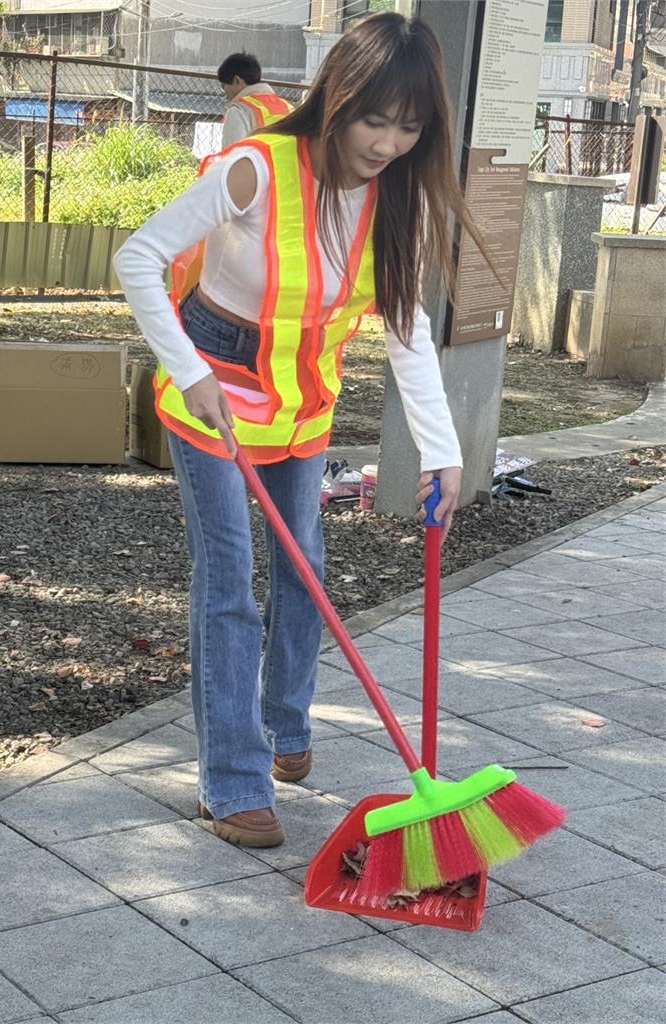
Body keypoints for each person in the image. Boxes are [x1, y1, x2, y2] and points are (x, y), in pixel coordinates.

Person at [114, 13, 487, 849]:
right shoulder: (254, 171)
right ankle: (233, 779)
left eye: (411, 125)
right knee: (230, 577)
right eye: (374, 119)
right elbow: (138, 258)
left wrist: (442, 451)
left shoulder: (399, 202)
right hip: (213, 390)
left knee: (305, 563)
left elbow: (406, 330)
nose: (389, 142)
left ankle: (287, 727)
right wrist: (191, 371)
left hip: (301, 399)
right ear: (338, 100)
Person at [217, 51, 293, 147]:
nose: (224, 92)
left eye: (224, 85)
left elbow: (232, 157)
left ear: (237, 80)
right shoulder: (288, 108)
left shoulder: (239, 110)